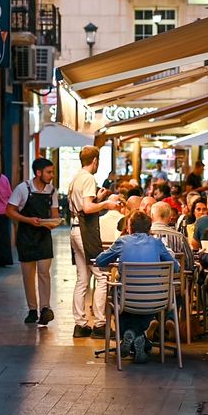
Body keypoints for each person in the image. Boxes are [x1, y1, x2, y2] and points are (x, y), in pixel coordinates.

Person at [96, 211, 179, 364]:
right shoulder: (158, 243)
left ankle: (130, 334)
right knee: (143, 298)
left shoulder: (122, 241)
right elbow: (176, 267)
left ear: (129, 227)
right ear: (149, 229)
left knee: (116, 292)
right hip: (155, 300)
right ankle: (139, 337)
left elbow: (100, 261)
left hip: (127, 300)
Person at [69, 145, 125, 339]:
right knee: (101, 275)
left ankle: (80, 324)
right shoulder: (88, 178)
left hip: (75, 229)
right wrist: (106, 203)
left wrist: (98, 198)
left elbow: (84, 205)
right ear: (95, 161)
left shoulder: (76, 178)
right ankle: (100, 324)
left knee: (82, 278)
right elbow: (87, 207)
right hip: (85, 231)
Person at [4, 158, 62, 327]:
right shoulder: (23, 188)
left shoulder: (52, 192)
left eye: (52, 172)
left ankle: (45, 309)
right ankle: (32, 310)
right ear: (38, 173)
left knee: (44, 272)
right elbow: (9, 211)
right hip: (26, 236)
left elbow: (55, 214)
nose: (52, 175)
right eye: (49, 172)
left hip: (44, 236)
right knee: (28, 276)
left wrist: (53, 222)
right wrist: (28, 220)